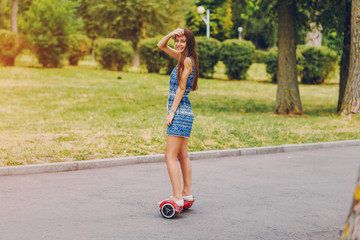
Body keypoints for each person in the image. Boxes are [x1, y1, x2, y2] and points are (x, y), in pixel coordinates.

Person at [157, 28, 199, 207]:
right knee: (182, 155)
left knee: (170, 156)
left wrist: (172, 112)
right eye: (178, 41)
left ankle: (177, 196)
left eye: (183, 41)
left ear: (189, 43)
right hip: (186, 112)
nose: (179, 44)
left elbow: (181, 88)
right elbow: (161, 45)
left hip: (179, 112)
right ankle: (186, 193)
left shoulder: (187, 61)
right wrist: (172, 33)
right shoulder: (183, 58)